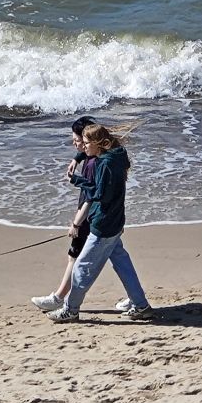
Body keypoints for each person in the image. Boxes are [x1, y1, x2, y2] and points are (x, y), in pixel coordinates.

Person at [48, 122, 153, 322]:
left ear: (98, 143)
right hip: (116, 220)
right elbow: (103, 190)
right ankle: (141, 305)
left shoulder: (104, 164)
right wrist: (78, 158)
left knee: (81, 267)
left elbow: (100, 195)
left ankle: (70, 310)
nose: (84, 147)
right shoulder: (117, 155)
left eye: (86, 143)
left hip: (104, 225)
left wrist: (77, 181)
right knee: (122, 263)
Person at [30, 117, 98, 313]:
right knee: (116, 257)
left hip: (89, 218)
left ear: (87, 140)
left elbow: (90, 196)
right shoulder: (93, 157)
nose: (74, 143)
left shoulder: (92, 164)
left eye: (77, 140)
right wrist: (76, 158)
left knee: (74, 256)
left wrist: (76, 223)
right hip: (99, 218)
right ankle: (136, 298)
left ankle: (59, 298)